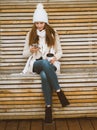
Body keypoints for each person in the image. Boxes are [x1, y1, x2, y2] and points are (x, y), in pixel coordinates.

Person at [22, 3, 69, 123]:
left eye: (41, 23)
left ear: (45, 22)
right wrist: (31, 51)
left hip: (50, 64)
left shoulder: (53, 34)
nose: (39, 25)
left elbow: (60, 52)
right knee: (43, 63)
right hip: (36, 64)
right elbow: (24, 54)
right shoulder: (30, 34)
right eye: (36, 23)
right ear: (34, 23)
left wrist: (55, 58)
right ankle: (59, 91)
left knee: (44, 75)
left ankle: (48, 109)